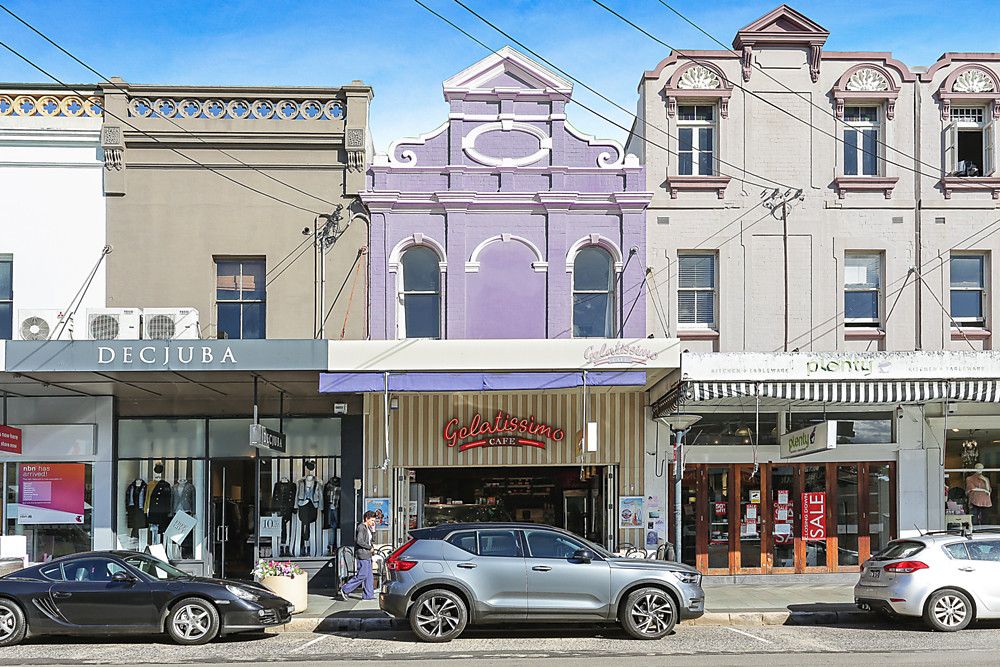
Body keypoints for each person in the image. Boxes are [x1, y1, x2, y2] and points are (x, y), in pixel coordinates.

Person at [338, 511, 377, 601]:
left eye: (374, 521)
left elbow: (372, 540)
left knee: (369, 576)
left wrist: (374, 530)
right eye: (372, 520)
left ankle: (368, 595)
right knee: (362, 575)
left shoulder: (368, 528)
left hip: (368, 554)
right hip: (362, 554)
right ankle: (345, 589)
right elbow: (359, 541)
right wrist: (369, 547)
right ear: (366, 519)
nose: (373, 522)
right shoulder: (361, 527)